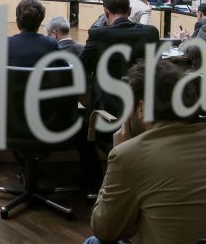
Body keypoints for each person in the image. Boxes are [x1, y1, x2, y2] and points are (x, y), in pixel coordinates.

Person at [83, 60, 206, 244]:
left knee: (94, 242)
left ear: (141, 107)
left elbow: (104, 230)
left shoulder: (129, 155)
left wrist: (117, 154)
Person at [80, 0, 160, 120]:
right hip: (143, 106)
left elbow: (83, 67)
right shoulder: (151, 33)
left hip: (108, 109)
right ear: (129, 11)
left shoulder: (98, 34)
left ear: (106, 12)